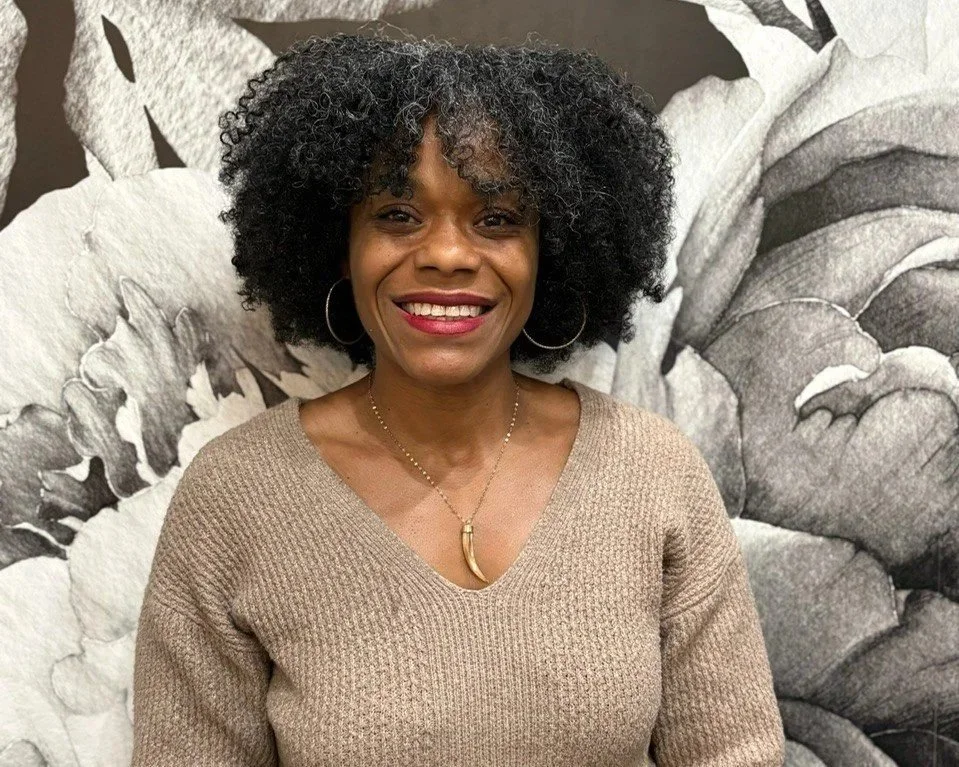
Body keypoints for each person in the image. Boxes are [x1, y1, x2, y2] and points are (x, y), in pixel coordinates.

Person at [130, 31, 785, 766]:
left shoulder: (651, 472)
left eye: (496, 218)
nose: (445, 254)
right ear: (337, 244)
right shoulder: (237, 496)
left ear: (553, 248)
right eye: (398, 215)